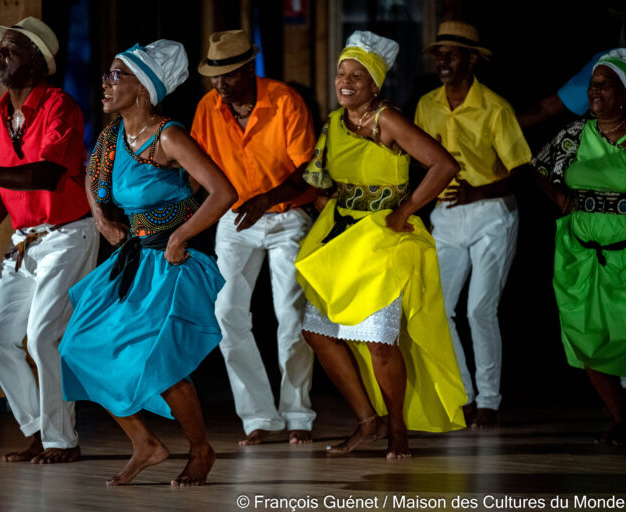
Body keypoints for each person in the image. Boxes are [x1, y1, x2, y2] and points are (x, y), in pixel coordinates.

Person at [58, 40, 237, 486]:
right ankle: (146, 443)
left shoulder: (168, 135)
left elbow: (223, 192)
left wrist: (181, 235)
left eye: (117, 75)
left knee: (162, 362)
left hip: (172, 262)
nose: (105, 83)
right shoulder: (112, 136)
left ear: (144, 89)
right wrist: (101, 220)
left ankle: (201, 450)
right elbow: (91, 177)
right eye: (107, 74)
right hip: (135, 260)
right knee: (77, 345)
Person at [294, 30, 467, 459]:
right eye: (340, 72)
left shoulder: (387, 119)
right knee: (318, 333)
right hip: (343, 238)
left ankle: (398, 430)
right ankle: (367, 421)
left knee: (378, 342)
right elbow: (317, 180)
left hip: (383, 240)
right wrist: (308, 201)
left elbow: (444, 165)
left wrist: (406, 209)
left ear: (375, 84)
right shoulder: (334, 123)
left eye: (357, 74)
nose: (345, 81)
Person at [0, 17, 97, 463]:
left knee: (44, 335)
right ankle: (40, 428)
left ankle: (61, 440)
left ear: (35, 62)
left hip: (67, 235)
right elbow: (0, 187)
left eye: (8, 49)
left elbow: (45, 175)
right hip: (27, 240)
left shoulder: (60, 106)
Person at [190, 30, 317, 445]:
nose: (220, 84)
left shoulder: (284, 99)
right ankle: (259, 416)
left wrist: (268, 199)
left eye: (227, 75)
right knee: (227, 314)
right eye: (214, 76)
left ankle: (297, 413)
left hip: (287, 215)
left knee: (292, 316)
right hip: (235, 219)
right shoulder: (208, 107)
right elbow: (197, 170)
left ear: (248, 70)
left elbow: (308, 172)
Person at [414, 21, 533, 429]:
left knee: (479, 309)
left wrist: (475, 193)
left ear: (471, 59)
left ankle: (489, 399)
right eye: (439, 54)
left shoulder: (494, 107)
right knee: (439, 310)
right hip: (446, 216)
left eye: (451, 54)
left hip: (491, 214)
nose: (442, 60)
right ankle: (462, 394)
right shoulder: (427, 104)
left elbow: (521, 170)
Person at [531, 49, 626, 445]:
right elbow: (537, 166)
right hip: (579, 248)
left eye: (605, 84)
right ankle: (621, 417)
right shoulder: (574, 135)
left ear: (624, 93)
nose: (594, 90)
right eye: (593, 84)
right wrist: (559, 199)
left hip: (622, 247)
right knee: (583, 333)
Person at [518, 6, 625, 128]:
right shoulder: (608, 62)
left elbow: (551, 107)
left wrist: (500, 124)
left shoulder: (610, 59)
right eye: (593, 83)